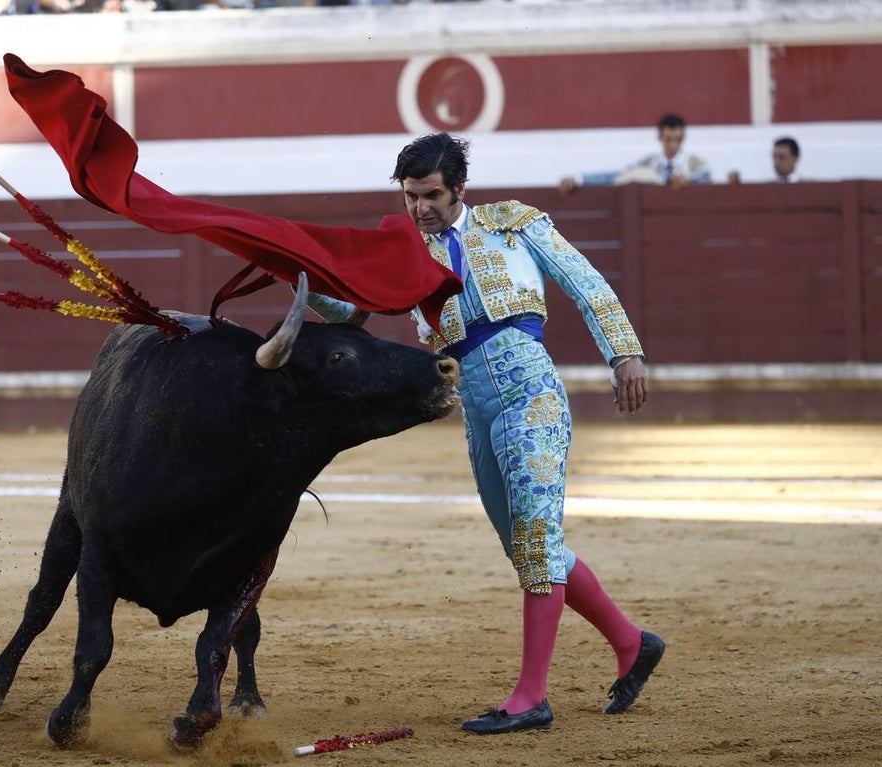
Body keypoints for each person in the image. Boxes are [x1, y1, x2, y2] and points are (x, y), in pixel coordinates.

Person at [309, 132, 664, 734]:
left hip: (530, 389)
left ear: (459, 190)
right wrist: (298, 277)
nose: (420, 208)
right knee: (526, 545)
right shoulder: (404, 249)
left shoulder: (511, 224)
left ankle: (532, 698)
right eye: (410, 195)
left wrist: (624, 352)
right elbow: (352, 310)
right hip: (472, 403)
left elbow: (584, 280)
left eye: (432, 195)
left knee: (535, 541)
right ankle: (632, 643)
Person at [559, 113, 711, 192]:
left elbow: (706, 180)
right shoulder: (648, 163)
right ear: (660, 138)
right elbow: (618, 177)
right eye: (669, 139)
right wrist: (580, 179)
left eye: (677, 140)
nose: (673, 145)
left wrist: (690, 183)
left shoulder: (695, 164)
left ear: (682, 138)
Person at [728, 136, 805, 184]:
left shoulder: (806, 185)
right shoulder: (768, 186)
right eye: (774, 157)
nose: (776, 162)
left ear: (795, 158)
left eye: (782, 157)